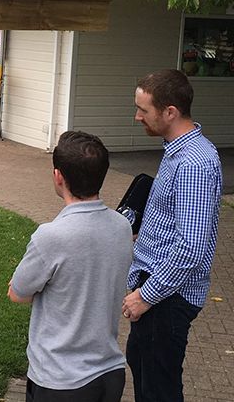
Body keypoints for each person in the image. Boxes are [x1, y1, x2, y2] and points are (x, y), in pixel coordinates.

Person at [8, 130, 133, 402]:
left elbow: (17, 293)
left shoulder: (50, 236)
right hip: (109, 373)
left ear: (58, 176)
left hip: (60, 381)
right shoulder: (122, 227)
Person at [122, 69, 222, 402]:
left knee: (159, 390)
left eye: (143, 110)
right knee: (142, 365)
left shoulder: (194, 163)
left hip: (167, 297)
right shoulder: (175, 149)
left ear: (170, 112)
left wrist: (145, 296)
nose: (137, 117)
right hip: (158, 289)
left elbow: (191, 247)